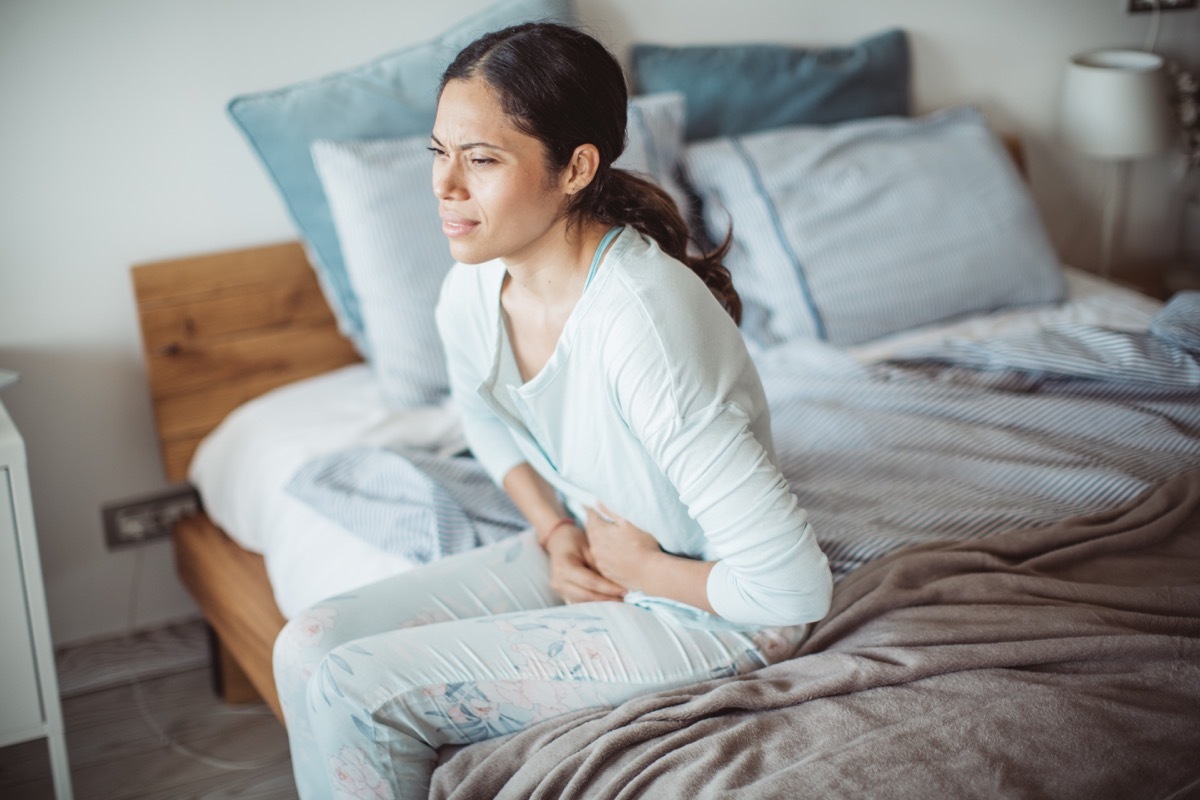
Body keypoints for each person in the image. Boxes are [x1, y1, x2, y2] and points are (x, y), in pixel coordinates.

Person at [273, 22, 832, 799]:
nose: (444, 186)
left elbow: (793, 592)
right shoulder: (476, 283)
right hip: (607, 557)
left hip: (716, 611)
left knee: (357, 689)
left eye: (482, 159)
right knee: (307, 645)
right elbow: (484, 418)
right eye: (438, 152)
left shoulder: (641, 320)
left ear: (575, 168)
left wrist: (645, 568)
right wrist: (555, 529)